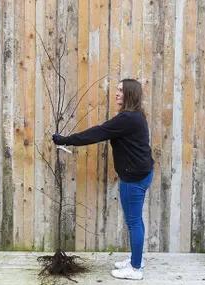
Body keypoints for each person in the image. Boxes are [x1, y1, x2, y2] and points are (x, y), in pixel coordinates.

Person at [52, 78, 154, 280]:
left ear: (130, 95)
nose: (116, 93)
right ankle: (137, 259)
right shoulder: (135, 116)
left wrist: (66, 140)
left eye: (120, 91)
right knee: (136, 220)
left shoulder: (127, 119)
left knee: (133, 222)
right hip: (142, 173)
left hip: (134, 178)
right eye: (116, 89)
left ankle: (135, 270)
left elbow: (97, 133)